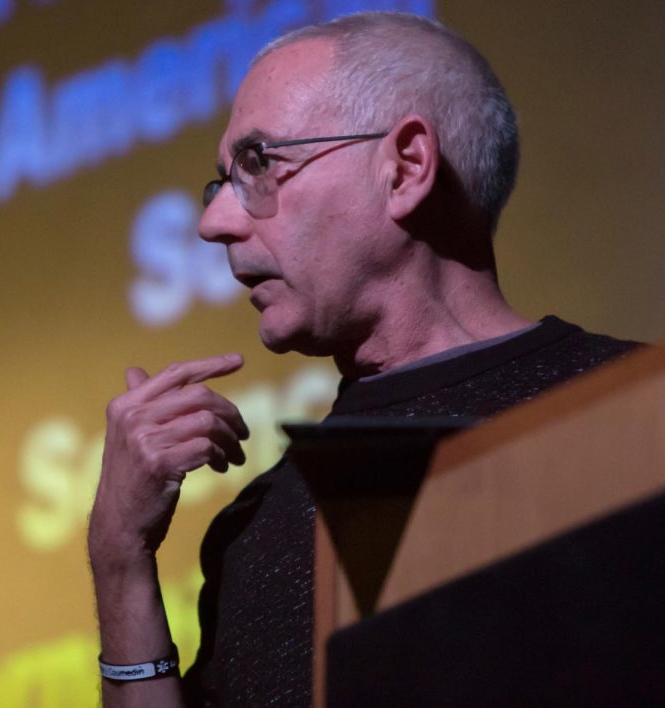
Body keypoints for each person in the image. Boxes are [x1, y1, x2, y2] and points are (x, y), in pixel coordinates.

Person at [88, 11, 639, 707]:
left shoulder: (639, 419)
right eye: (221, 182)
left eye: (259, 164)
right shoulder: (256, 529)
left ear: (405, 167)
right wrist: (120, 563)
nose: (213, 222)